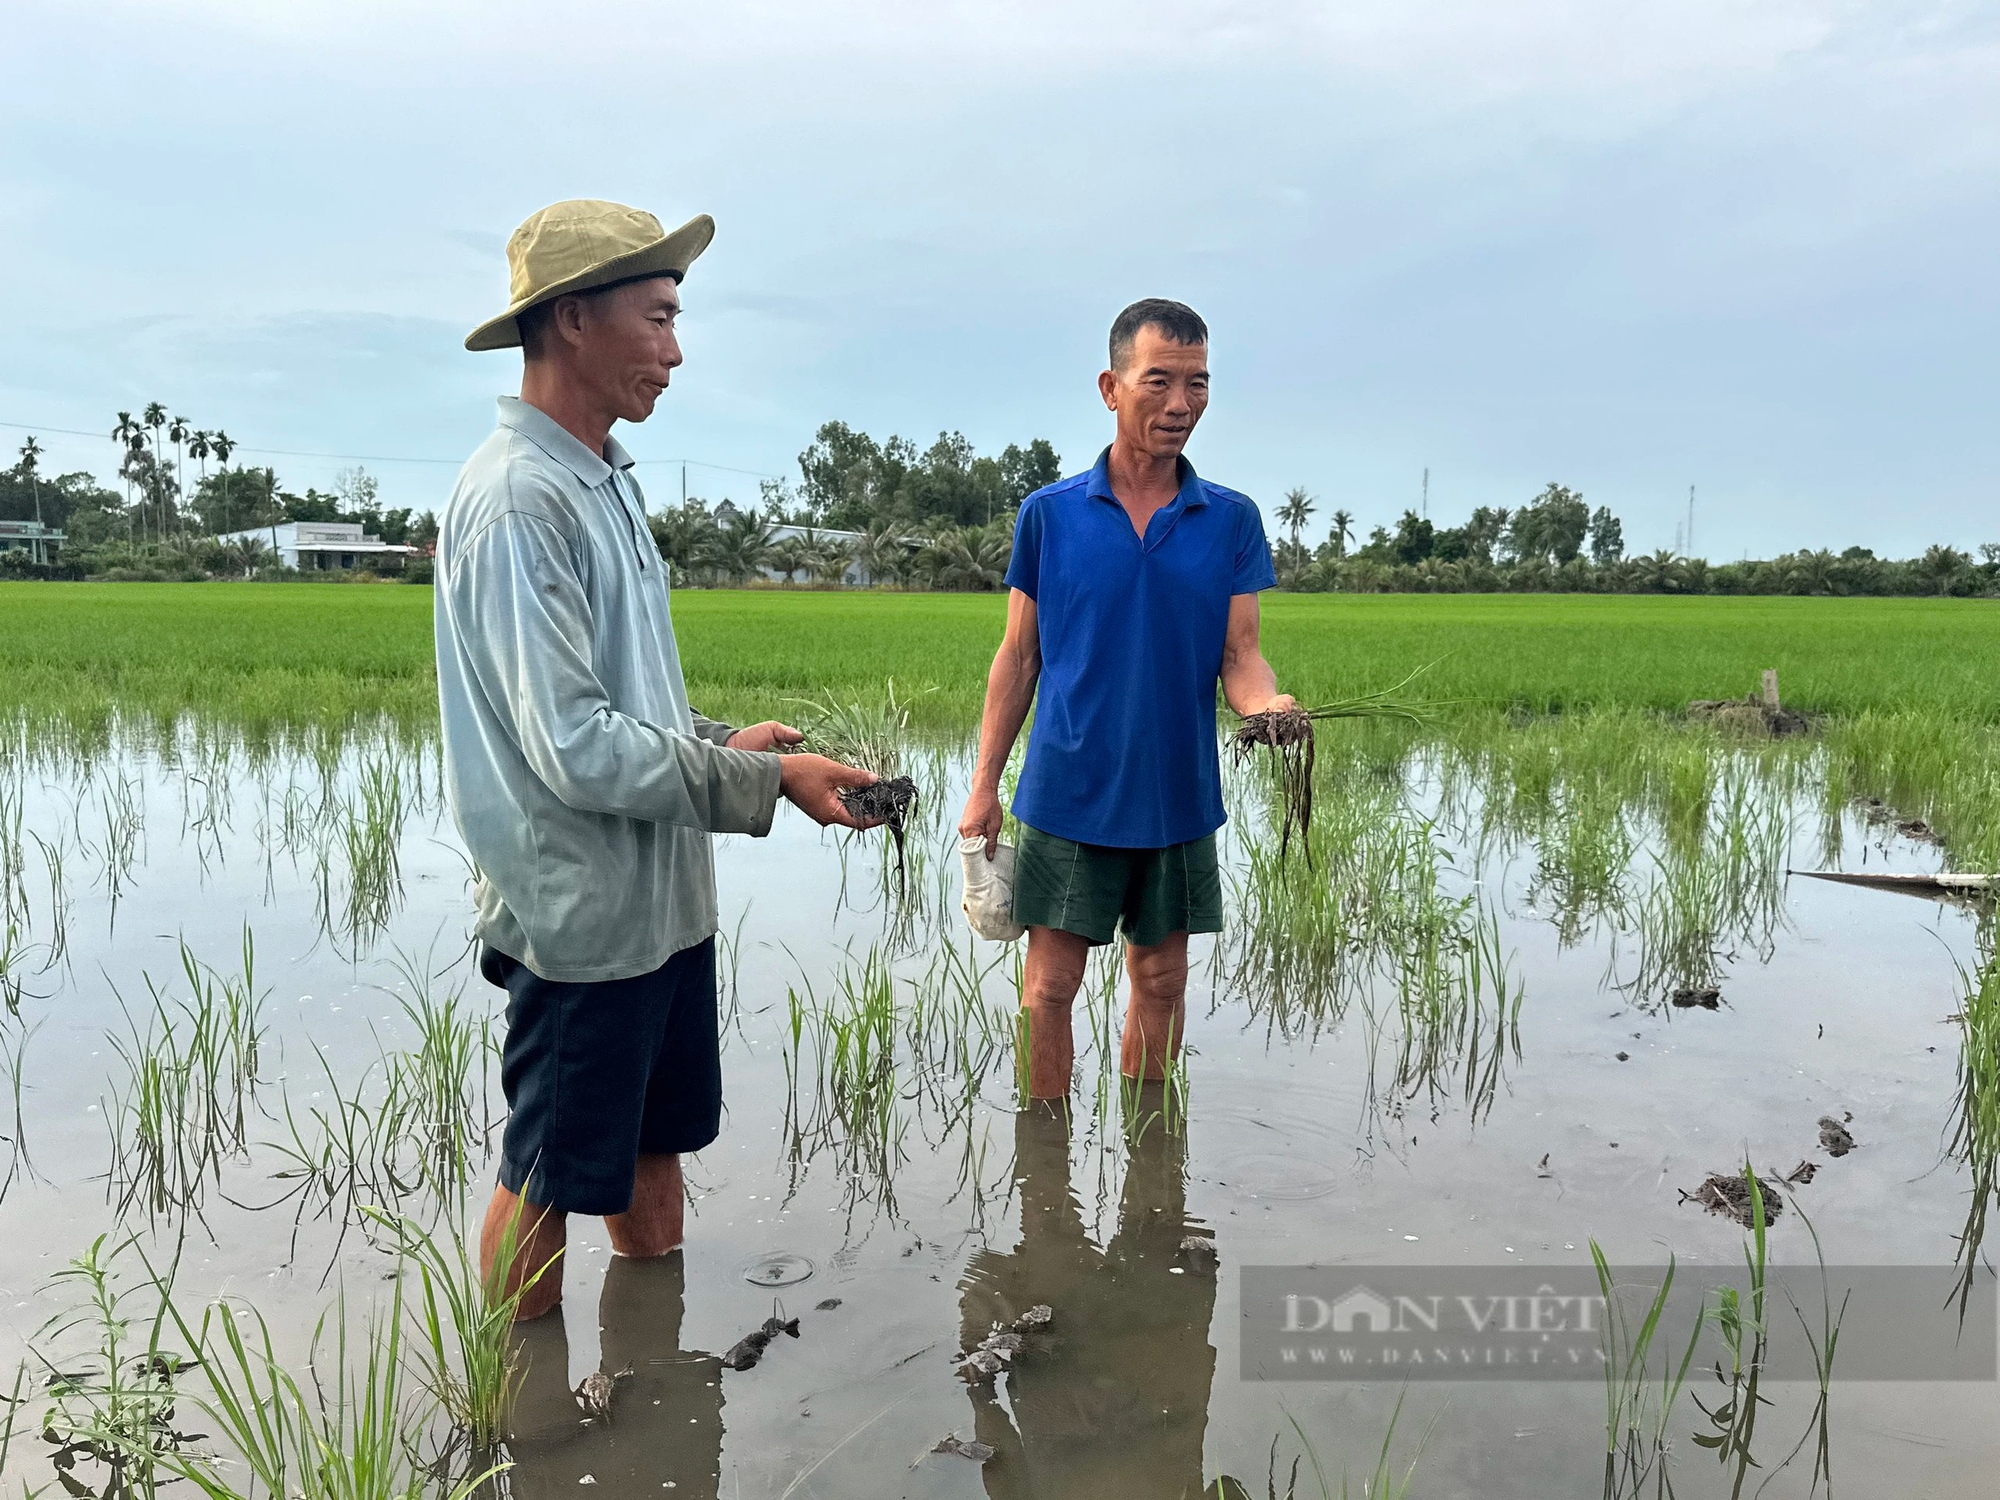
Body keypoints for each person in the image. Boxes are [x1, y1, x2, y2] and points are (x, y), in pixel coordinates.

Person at [437, 199, 879, 1319]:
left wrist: (728, 745)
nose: (676, 353)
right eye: (659, 319)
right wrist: (763, 783)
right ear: (574, 320)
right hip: (581, 920)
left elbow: (627, 707)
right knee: (546, 1179)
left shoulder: (604, 480)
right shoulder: (517, 500)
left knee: (652, 1153)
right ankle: (515, 1429)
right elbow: (573, 746)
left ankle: (656, 1399)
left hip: (661, 907)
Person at [957, 299, 1290, 1098]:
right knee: (1048, 990)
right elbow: (1019, 657)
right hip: (1070, 790)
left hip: (1176, 795)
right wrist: (982, 787)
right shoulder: (1052, 515)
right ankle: (1045, 1164)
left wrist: (1267, 708)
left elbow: (1240, 657)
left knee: (1163, 981)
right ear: (1111, 387)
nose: (1181, 405)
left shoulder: (1231, 520)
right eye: (1160, 382)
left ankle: (1149, 1153)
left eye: (1198, 384)